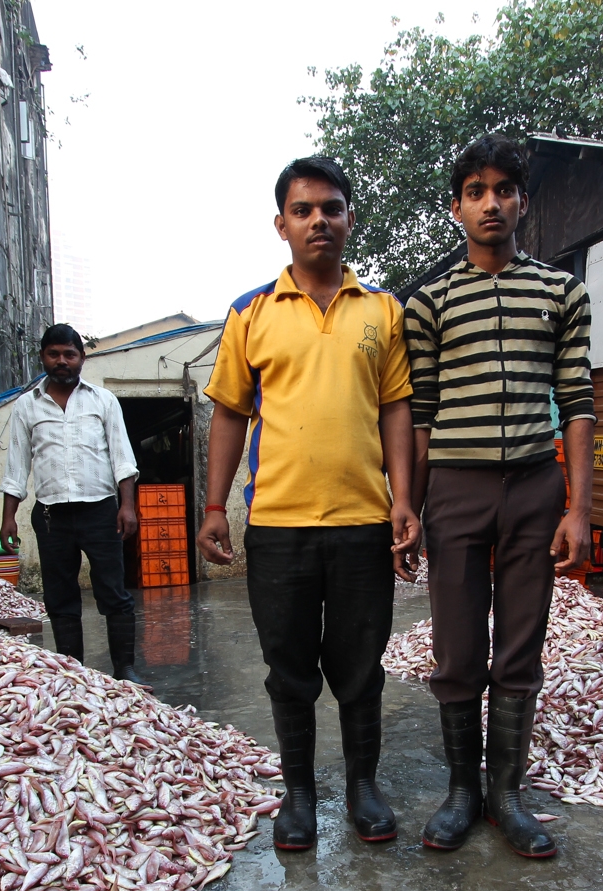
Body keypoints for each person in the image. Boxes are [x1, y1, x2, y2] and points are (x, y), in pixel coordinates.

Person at [197, 156, 419, 852]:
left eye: (331, 208)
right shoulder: (251, 313)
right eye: (303, 210)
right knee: (288, 669)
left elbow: (397, 408)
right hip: (278, 527)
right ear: (281, 224)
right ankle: (298, 794)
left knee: (360, 666)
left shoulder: (383, 311)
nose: (318, 220)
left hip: (362, 524)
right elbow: (230, 413)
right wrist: (213, 507)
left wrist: (404, 499)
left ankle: (363, 788)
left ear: (350, 218)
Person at [404, 134, 595, 858]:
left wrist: (578, 507)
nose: (492, 203)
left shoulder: (561, 292)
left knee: (520, 644)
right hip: (455, 488)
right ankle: (462, 793)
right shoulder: (429, 303)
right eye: (476, 191)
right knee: (456, 647)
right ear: (456, 207)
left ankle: (506, 796)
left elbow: (577, 400)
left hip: (535, 488)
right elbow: (421, 415)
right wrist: (411, 506)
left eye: (505, 190)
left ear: (523, 201)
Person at [0, 323, 147, 686]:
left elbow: (122, 458)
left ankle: (125, 670)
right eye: (54, 354)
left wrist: (127, 506)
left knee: (113, 592)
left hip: (101, 511)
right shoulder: (26, 405)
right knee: (60, 597)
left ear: (81, 358)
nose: (62, 361)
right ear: (43, 357)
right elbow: (16, 466)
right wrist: (8, 518)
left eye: (70, 354)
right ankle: (72, 673)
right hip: (51, 516)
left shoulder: (102, 400)